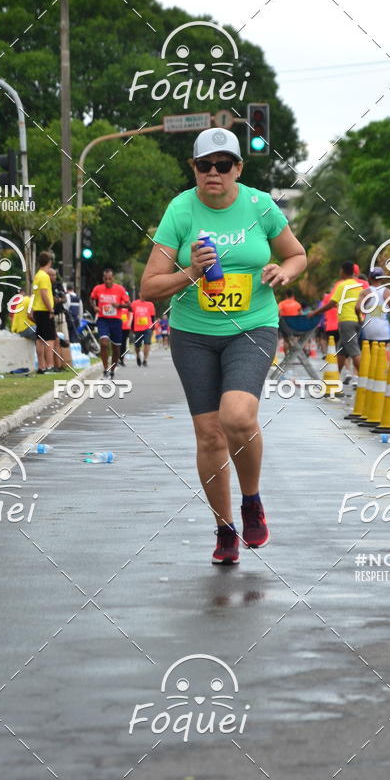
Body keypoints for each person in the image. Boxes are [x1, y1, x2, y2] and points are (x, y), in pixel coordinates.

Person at [140, 127, 306, 565]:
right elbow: (149, 286)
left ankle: (251, 500)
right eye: (204, 166)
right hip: (194, 333)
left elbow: (297, 254)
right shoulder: (181, 209)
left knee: (237, 415)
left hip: (251, 325)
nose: (214, 173)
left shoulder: (260, 205)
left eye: (224, 165)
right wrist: (190, 272)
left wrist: (285, 272)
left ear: (238, 168)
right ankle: (225, 527)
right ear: (193, 169)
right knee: (209, 435)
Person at [308, 261, 363, 374]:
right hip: (357, 321)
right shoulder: (358, 286)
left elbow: (331, 303)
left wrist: (315, 312)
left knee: (354, 351)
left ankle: (365, 379)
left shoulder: (342, 285)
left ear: (343, 271)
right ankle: (335, 377)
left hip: (346, 321)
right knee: (342, 351)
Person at [89, 268, 131, 378]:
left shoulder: (120, 289)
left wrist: (119, 305)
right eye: (106, 279)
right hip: (103, 320)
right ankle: (105, 368)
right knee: (103, 343)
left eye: (110, 279)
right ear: (103, 278)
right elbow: (92, 298)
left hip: (116, 321)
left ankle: (112, 369)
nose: (107, 281)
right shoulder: (98, 288)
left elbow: (129, 304)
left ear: (113, 279)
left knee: (116, 349)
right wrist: (95, 307)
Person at [29, 251, 56, 373]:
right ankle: (50, 365)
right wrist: (51, 309)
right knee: (49, 339)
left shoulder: (37, 275)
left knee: (40, 339)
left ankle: (41, 366)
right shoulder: (45, 276)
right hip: (45, 310)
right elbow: (44, 294)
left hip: (38, 310)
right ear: (49, 262)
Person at [356, 267, 390, 344]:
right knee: (382, 354)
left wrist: (359, 318)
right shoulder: (388, 292)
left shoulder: (365, 292)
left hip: (368, 329)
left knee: (368, 353)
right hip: (384, 329)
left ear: (369, 278)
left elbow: (357, 308)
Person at [131, 294, 156, 366]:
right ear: (139, 294)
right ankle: (138, 356)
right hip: (137, 328)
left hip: (147, 327)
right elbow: (132, 315)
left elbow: (152, 317)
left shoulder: (150, 304)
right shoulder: (134, 303)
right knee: (137, 345)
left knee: (147, 343)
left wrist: (153, 327)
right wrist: (132, 327)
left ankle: (145, 359)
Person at [277, 288, 302, 355]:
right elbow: (300, 314)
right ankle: (292, 352)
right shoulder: (297, 304)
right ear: (293, 295)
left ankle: (286, 356)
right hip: (295, 327)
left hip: (285, 326)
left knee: (285, 340)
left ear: (286, 295)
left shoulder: (281, 303)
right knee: (295, 339)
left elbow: (278, 312)